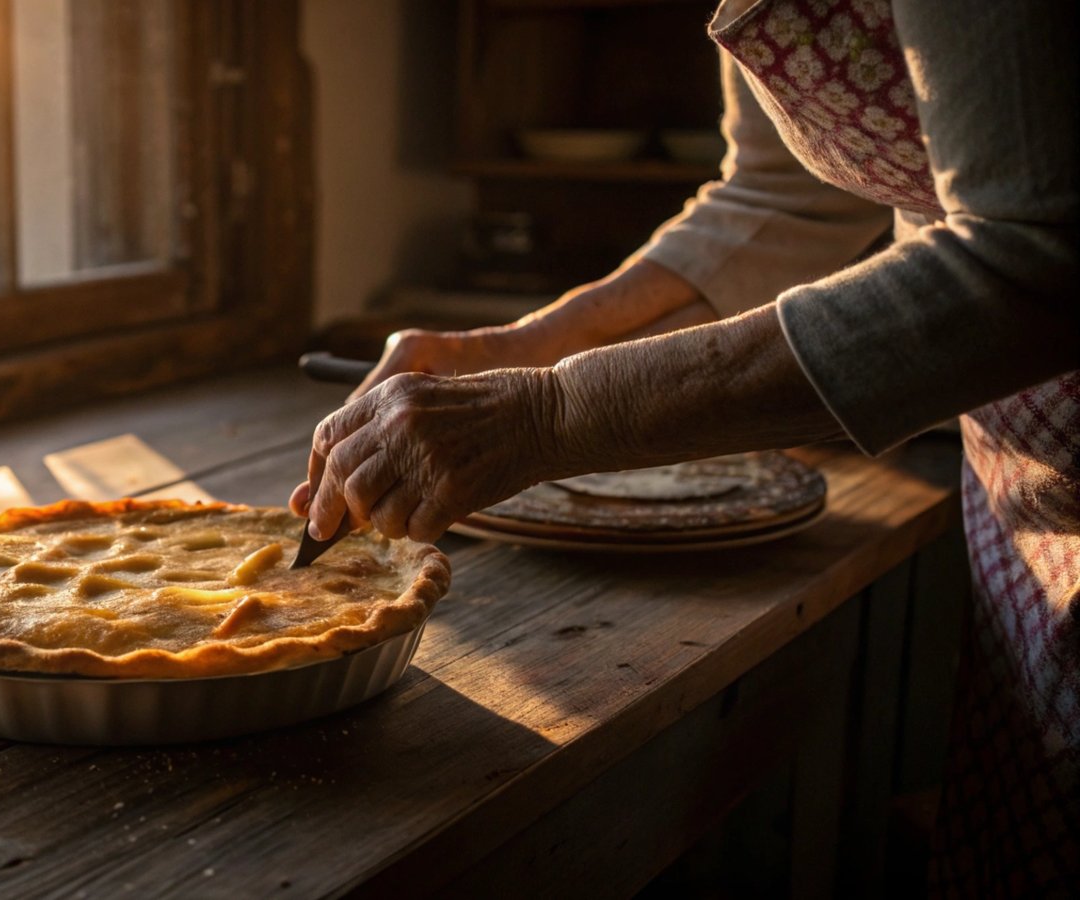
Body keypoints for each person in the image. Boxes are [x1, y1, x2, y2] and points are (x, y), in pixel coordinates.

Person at [292, 0, 1076, 891]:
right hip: (1019, 476)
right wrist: (519, 349)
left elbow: (1038, 254)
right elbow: (782, 199)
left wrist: (549, 413)